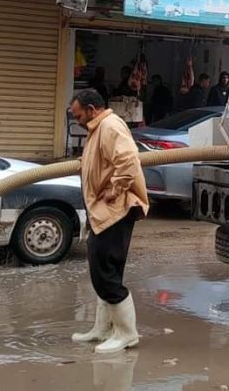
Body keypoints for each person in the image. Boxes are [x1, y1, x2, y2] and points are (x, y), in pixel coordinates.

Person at [69, 89, 149, 354]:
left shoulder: (110, 126)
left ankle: (127, 334)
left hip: (114, 211)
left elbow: (128, 161)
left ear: (92, 109)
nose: (76, 120)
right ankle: (103, 329)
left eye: (78, 115)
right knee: (101, 271)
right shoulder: (97, 127)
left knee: (106, 273)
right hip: (102, 212)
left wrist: (115, 190)